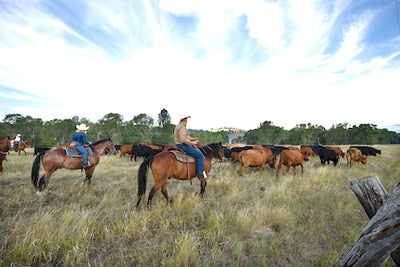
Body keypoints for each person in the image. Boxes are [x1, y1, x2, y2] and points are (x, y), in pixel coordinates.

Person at [174, 116, 207, 180]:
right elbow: (183, 140)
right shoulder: (182, 127)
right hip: (183, 145)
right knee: (200, 156)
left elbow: (186, 137)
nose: (187, 120)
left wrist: (193, 139)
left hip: (178, 145)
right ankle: (200, 174)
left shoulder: (178, 126)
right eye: (186, 119)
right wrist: (192, 143)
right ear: (183, 119)